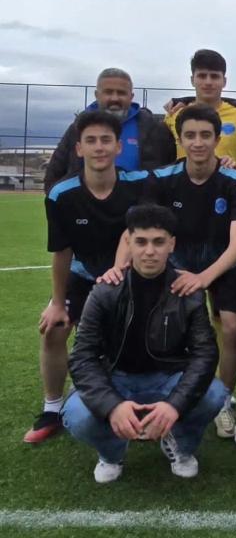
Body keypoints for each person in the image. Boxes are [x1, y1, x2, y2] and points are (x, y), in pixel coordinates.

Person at [61, 204, 227, 483]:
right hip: (116, 378)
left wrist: (174, 405)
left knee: (214, 394)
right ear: (129, 242)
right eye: (141, 242)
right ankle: (112, 452)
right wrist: (112, 405)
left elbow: (205, 354)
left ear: (171, 244)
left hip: (167, 377)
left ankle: (181, 445)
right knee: (77, 414)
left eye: (158, 242)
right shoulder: (105, 290)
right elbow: (82, 356)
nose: (150, 251)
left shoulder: (188, 291)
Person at [24, 111, 155, 444]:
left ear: (118, 147)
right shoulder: (61, 194)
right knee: (54, 329)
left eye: (106, 140)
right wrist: (57, 303)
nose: (99, 147)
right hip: (82, 275)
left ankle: (145, 398)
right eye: (91, 141)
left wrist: (118, 271)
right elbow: (62, 252)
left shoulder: (138, 183)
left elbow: (134, 232)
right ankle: (52, 408)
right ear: (79, 148)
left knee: (140, 332)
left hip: (128, 274)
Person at [152, 105, 236, 439]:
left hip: (221, 266)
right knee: (168, 329)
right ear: (180, 139)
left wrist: (204, 278)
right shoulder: (163, 179)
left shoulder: (235, 181)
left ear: (217, 139)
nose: (198, 142)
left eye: (205, 135)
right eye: (190, 135)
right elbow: (153, 234)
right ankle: (170, 394)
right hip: (175, 268)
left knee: (231, 326)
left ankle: (223, 400)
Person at [44, 68, 175, 192]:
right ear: (97, 95)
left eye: (121, 93)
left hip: (140, 206)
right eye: (108, 92)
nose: (114, 98)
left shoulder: (154, 128)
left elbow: (170, 172)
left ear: (131, 96)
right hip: (87, 206)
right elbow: (54, 174)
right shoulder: (77, 129)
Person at [164, 49, 236, 173]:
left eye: (214, 76)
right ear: (192, 80)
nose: (208, 82)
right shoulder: (174, 116)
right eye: (202, 76)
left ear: (224, 81)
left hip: (231, 185)